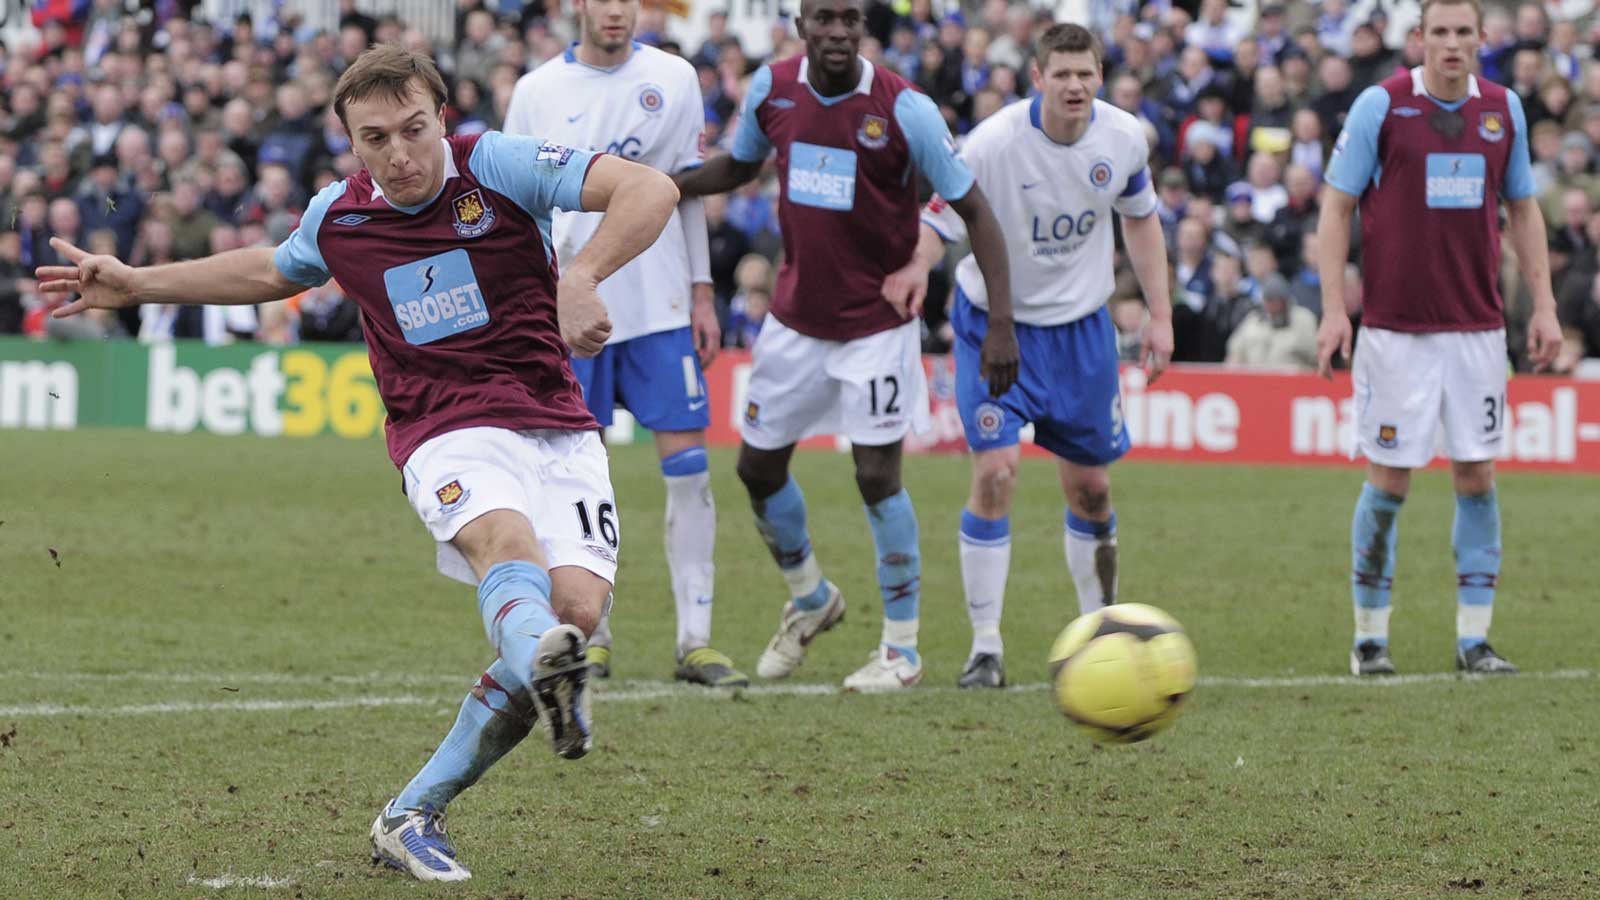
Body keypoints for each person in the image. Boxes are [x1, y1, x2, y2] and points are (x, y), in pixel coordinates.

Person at [36, 45, 680, 882]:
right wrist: (140, 283)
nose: (400, 154)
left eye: (414, 130)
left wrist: (582, 273)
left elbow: (651, 188)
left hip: (559, 425)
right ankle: (548, 672)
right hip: (445, 429)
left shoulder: (500, 165)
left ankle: (413, 811)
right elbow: (270, 269)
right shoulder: (340, 218)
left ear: (442, 118)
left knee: (575, 616)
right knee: (504, 546)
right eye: (375, 138)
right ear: (350, 140)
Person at [675, 0, 1015, 690]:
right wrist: (662, 185)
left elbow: (975, 209)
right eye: (823, 18)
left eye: (849, 20)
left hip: (876, 325)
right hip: (795, 321)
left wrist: (1001, 325)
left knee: (876, 475)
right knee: (757, 472)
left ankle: (902, 649)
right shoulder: (772, 87)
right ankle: (811, 599)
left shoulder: (904, 107)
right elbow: (740, 168)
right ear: (802, 25)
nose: (836, 31)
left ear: (864, 29)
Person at [915, 23, 1173, 688]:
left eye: (1085, 73)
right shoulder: (995, 143)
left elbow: (1140, 220)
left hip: (1082, 333)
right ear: (1037, 77)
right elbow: (940, 222)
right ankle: (985, 646)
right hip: (994, 329)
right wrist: (914, 275)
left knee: (1091, 489)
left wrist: (1161, 314)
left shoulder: (1123, 139)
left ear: (1100, 75)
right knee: (996, 475)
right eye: (1061, 74)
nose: (1074, 86)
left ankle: (1101, 635)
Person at [505, 0, 748, 688]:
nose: (614, 10)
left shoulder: (672, 78)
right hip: (569, 311)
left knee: (691, 472)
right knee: (574, 477)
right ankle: (593, 631)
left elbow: (685, 192)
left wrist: (702, 290)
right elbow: (517, 207)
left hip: (662, 306)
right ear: (575, 6)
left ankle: (696, 640)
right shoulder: (536, 92)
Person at [1316, 0, 1562, 678]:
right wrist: (1335, 308)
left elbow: (1524, 212)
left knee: (1477, 475)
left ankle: (1474, 641)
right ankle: (1369, 638)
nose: (1452, 44)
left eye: (1464, 32)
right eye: (1440, 32)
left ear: (1482, 40)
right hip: (1395, 332)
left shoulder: (1502, 110)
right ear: (1419, 39)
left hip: (1478, 330)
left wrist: (1542, 306)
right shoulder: (1381, 106)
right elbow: (1336, 208)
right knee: (1389, 479)